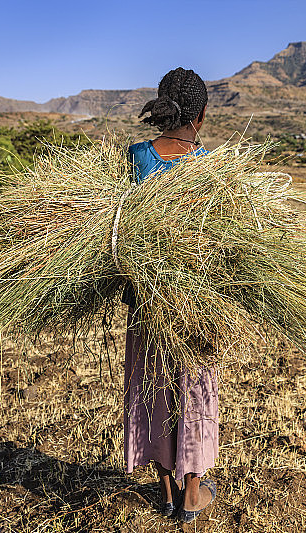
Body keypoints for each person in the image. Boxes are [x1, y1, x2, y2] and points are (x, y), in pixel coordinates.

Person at [122, 67, 218, 523]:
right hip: (195, 302)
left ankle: (165, 490)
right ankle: (192, 496)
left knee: (153, 387)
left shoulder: (137, 156)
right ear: (201, 114)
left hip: (144, 300)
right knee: (193, 390)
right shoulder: (210, 168)